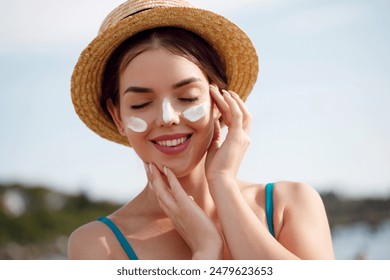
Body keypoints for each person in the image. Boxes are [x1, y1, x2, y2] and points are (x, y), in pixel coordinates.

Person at [68, 0, 334, 260]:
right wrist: (206, 251)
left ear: (219, 101)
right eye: (141, 103)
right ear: (118, 117)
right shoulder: (98, 245)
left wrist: (223, 182)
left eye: (188, 97)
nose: (167, 118)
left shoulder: (290, 204)